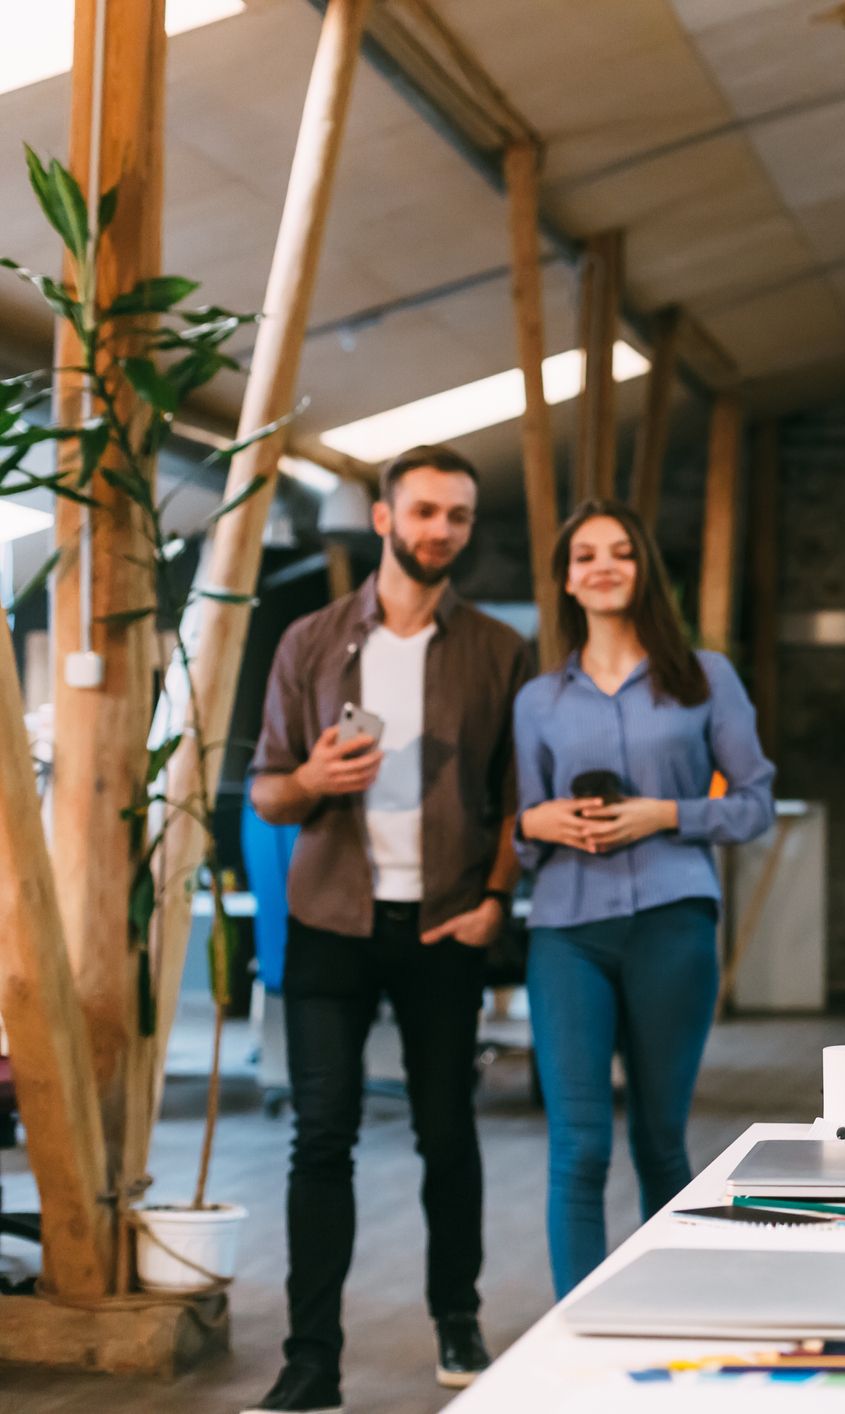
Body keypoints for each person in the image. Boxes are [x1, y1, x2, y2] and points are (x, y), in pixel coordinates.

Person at [246, 446, 534, 1414]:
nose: (439, 530)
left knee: (447, 1133)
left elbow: (512, 795)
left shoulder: (498, 648)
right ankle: (310, 1360)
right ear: (383, 519)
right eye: (422, 512)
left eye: (457, 514)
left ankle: (458, 1315)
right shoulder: (311, 641)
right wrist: (312, 782)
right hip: (332, 917)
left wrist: (496, 899)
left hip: (446, 923)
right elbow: (268, 790)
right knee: (320, 1138)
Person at [513, 500, 776, 1297]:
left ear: (642, 569)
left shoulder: (705, 678)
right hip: (566, 931)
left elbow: (755, 804)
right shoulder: (538, 702)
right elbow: (520, 833)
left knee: (659, 1141)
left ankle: (671, 1316)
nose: (602, 565)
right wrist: (539, 819)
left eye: (619, 552)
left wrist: (667, 813)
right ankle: (576, 1339)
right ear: (565, 578)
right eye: (585, 554)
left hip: (672, 923)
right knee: (579, 1146)